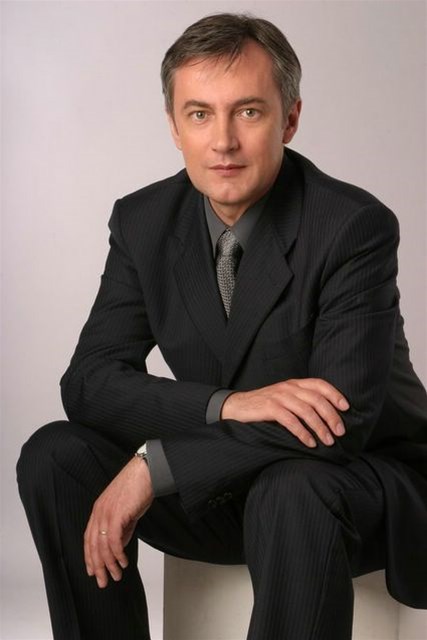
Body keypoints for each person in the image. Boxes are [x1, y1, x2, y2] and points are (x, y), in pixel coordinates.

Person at [17, 12, 427, 640]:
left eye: (249, 112)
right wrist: (227, 405)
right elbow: (90, 383)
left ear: (290, 118)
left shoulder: (351, 226)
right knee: (56, 456)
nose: (223, 142)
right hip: (224, 480)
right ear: (174, 125)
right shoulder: (144, 221)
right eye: (200, 114)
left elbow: (340, 425)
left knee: (292, 489)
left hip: (353, 486)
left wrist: (155, 465)